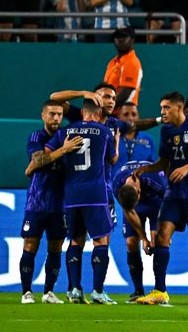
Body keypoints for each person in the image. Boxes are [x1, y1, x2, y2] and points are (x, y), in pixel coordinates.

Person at [133, 92, 188, 306]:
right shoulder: (167, 130)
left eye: (166, 107)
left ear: (179, 108)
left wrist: (186, 168)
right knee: (162, 237)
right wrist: (147, 168)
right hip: (173, 194)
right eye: (161, 108)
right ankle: (160, 290)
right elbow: (165, 162)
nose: (162, 112)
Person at [45, 99, 119, 304]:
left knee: (76, 240)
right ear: (96, 114)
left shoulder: (65, 132)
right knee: (100, 240)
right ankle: (97, 291)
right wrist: (117, 139)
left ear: (83, 113)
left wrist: (64, 151)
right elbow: (112, 159)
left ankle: (75, 289)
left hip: (71, 194)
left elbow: (47, 153)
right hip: (95, 194)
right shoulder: (104, 131)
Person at [19, 100, 84, 304]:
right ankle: (27, 292)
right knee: (30, 245)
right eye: (51, 114)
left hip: (60, 205)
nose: (56, 118)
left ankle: (48, 292)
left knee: (55, 248)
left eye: (59, 114)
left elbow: (34, 167)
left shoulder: (68, 137)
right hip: (37, 203)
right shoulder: (36, 137)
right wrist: (63, 151)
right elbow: (37, 161)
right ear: (43, 116)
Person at [113, 160, 167, 303]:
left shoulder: (157, 181)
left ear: (139, 191)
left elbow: (165, 206)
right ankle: (138, 290)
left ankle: (159, 289)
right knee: (131, 242)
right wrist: (143, 238)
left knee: (158, 241)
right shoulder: (117, 184)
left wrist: (153, 231)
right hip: (135, 207)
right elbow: (129, 211)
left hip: (157, 205)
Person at [103, 26, 143, 110]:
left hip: (123, 112)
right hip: (111, 110)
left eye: (124, 37)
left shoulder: (132, 62)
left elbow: (125, 94)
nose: (120, 39)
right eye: (117, 37)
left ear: (132, 39)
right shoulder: (112, 62)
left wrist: (104, 107)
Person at [113, 102, 156, 176]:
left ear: (138, 117)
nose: (130, 118)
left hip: (140, 185)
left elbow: (152, 166)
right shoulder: (113, 139)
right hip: (116, 184)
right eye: (126, 114)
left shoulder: (148, 140)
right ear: (119, 118)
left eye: (134, 114)